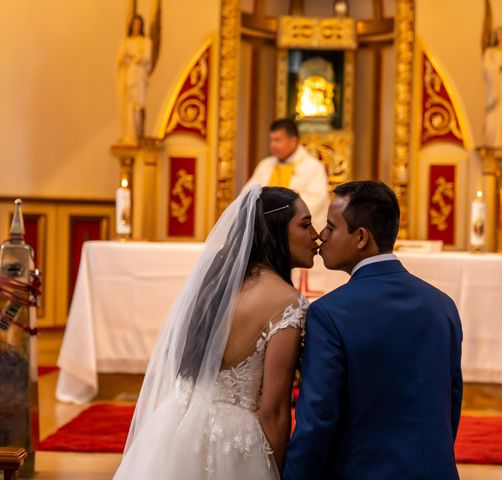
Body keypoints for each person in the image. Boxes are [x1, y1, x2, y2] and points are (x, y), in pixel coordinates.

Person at [114, 185, 319, 479]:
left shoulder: (216, 285)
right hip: (235, 443)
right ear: (276, 230)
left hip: (178, 424)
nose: (315, 235)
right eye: (305, 224)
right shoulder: (286, 302)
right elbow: (272, 412)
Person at [284, 181, 463, 480]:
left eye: (331, 226)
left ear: (361, 237)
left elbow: (318, 418)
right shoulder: (443, 306)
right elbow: (451, 402)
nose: (321, 236)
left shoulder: (329, 314)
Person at [245, 118, 329, 230]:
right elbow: (248, 194)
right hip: (265, 228)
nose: (272, 145)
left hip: (295, 231)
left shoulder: (313, 167)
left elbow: (315, 202)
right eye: (271, 140)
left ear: (293, 141)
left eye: (277, 140)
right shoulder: (265, 165)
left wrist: (281, 216)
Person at [117, 14, 151, 144]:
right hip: (129, 76)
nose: (136, 27)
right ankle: (129, 135)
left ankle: (138, 133)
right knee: (129, 105)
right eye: (134, 24)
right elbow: (120, 59)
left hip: (140, 77)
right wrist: (129, 58)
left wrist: (134, 58)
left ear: (141, 26)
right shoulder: (126, 42)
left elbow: (147, 59)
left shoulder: (145, 42)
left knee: (138, 105)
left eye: (139, 24)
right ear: (131, 26)